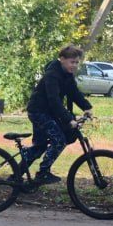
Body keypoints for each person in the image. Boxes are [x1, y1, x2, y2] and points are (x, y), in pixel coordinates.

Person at [20, 44, 93, 185]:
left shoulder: (67, 75)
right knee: (59, 141)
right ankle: (43, 173)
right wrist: (68, 120)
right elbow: (53, 100)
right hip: (38, 112)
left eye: (77, 62)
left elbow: (74, 93)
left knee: (39, 147)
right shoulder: (52, 74)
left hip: (48, 113)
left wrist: (87, 107)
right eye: (72, 62)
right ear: (62, 59)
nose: (75, 65)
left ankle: (16, 175)